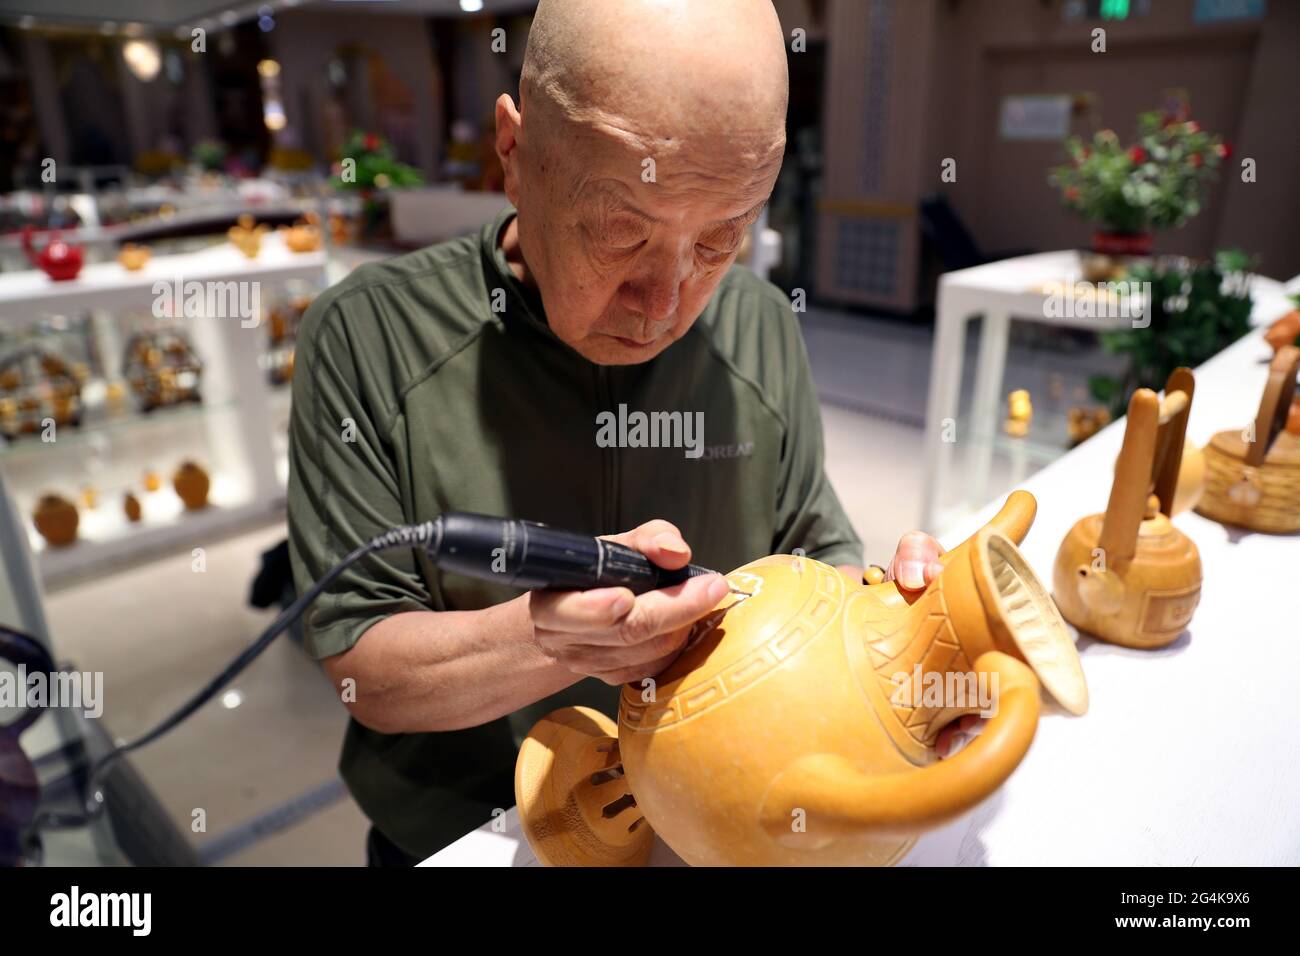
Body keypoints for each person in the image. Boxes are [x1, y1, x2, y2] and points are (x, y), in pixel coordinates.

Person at [287, 0, 956, 867]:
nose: (666, 301)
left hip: (713, 829)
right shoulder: (369, 334)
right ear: (516, 156)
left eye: (720, 240)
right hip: (467, 840)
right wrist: (547, 638)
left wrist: (894, 638)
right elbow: (361, 665)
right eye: (619, 231)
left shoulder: (756, 322)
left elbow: (815, 546)